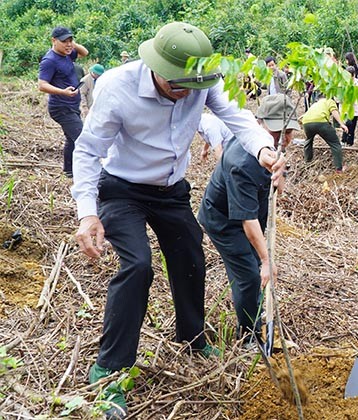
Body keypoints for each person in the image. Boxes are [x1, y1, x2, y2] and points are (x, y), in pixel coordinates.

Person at [71, 22, 284, 418]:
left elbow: (238, 117)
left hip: (171, 190)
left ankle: (192, 337)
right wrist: (88, 212)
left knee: (190, 255)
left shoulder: (202, 81)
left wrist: (263, 149)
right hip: (122, 188)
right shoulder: (117, 87)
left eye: (193, 85)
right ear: (157, 66)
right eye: (177, 84)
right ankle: (109, 370)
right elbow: (87, 151)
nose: (186, 92)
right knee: (138, 265)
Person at [198, 94, 298, 346]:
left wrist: (280, 175)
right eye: (277, 132)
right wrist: (266, 260)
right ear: (259, 123)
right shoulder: (242, 162)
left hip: (248, 214)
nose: (284, 139)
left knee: (254, 264)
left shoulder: (269, 147)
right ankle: (249, 337)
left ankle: (255, 313)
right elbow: (247, 221)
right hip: (223, 221)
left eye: (288, 131)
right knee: (249, 275)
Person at [38, 26, 89, 178]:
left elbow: (84, 53)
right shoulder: (49, 61)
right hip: (60, 107)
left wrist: (71, 44)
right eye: (64, 41)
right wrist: (63, 92)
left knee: (71, 139)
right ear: (53, 41)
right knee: (83, 139)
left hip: (72, 106)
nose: (68, 44)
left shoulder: (68, 54)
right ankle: (87, 174)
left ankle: (69, 171)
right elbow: (42, 85)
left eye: (70, 40)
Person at [300, 94, 347, 172]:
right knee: (335, 144)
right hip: (321, 122)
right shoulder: (330, 100)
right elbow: (334, 111)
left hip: (306, 122)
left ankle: (307, 162)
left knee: (308, 141)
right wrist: (341, 124)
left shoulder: (315, 104)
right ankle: (339, 168)